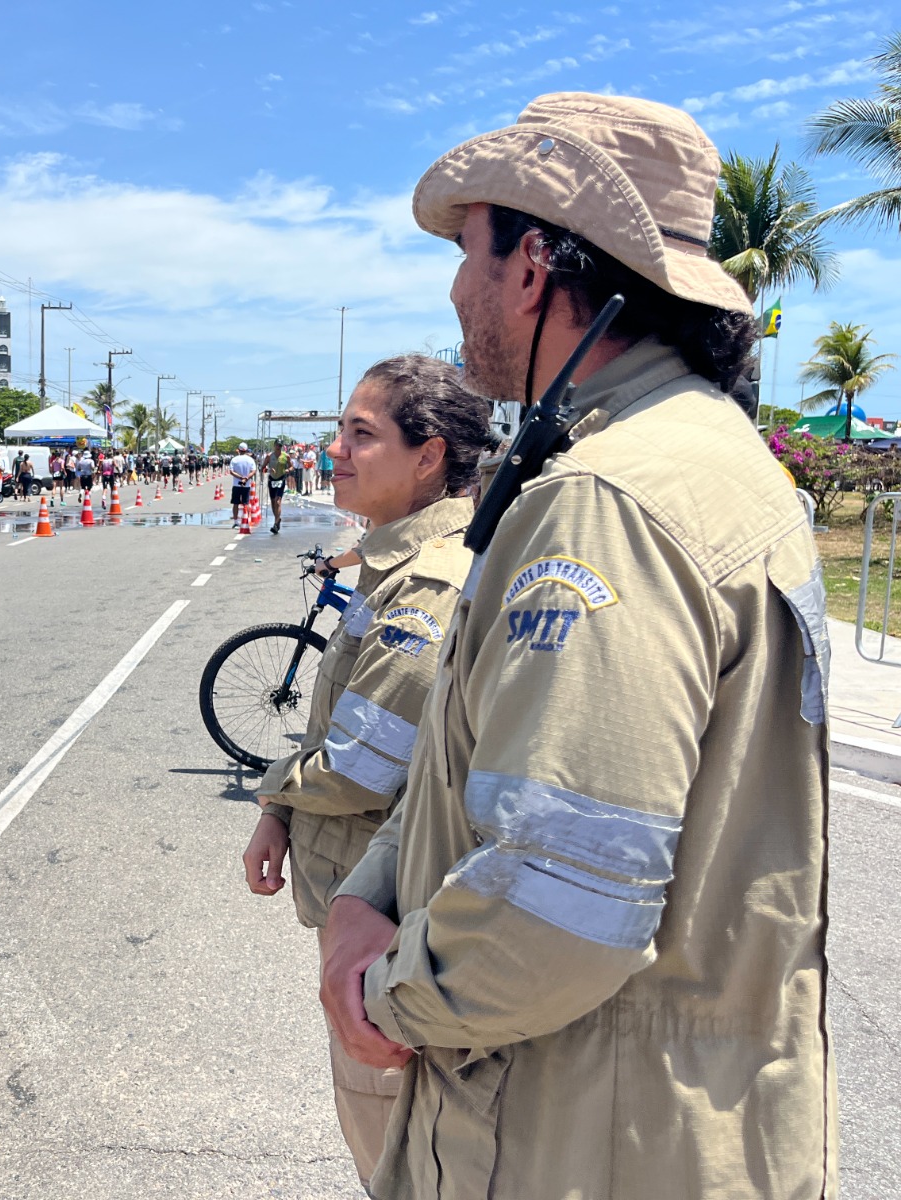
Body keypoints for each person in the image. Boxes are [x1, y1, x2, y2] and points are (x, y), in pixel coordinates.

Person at [318, 93, 835, 1199]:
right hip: (695, 1114)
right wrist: (371, 884)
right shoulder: (717, 457)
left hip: (578, 1133)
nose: (456, 289)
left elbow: (552, 901)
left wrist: (382, 991)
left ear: (534, 261)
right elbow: (489, 765)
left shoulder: (607, 499)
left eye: (468, 249)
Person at [245, 356, 490, 1187]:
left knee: (395, 1155)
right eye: (338, 430)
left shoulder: (428, 586)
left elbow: (356, 769)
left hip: (388, 925)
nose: (335, 450)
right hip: (360, 903)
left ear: (428, 456)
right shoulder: (384, 565)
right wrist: (281, 814)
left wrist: (269, 788)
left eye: (361, 434)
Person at [265, 441, 292, 534]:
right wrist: (269, 469)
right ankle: (277, 519)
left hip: (281, 479)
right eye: (277, 445)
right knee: (273, 502)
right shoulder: (269, 456)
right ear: (274, 445)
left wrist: (288, 469)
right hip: (272, 480)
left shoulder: (286, 456)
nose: (278, 447)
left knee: (278, 501)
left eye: (280, 446)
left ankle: (276, 523)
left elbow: (292, 466)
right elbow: (262, 468)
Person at [228, 442, 257, 523]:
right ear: (246, 450)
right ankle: (246, 520)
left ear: (239, 450)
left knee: (235, 503)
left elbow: (231, 471)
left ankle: (236, 521)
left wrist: (240, 478)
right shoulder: (250, 459)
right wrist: (246, 478)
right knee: (246, 503)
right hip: (246, 484)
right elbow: (253, 470)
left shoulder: (234, 459)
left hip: (236, 484)